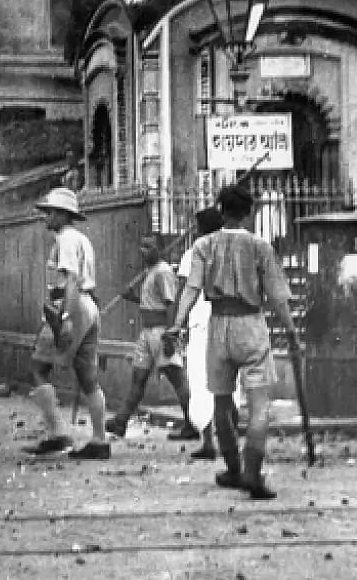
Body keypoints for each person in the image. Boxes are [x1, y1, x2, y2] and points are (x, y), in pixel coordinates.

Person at [169, 185, 300, 500]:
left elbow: (191, 289)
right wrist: (292, 331)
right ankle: (252, 473)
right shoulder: (260, 247)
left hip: (218, 327)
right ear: (249, 213)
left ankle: (232, 468)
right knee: (258, 405)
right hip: (251, 325)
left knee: (221, 402)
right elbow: (279, 298)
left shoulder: (203, 246)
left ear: (221, 209)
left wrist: (177, 323)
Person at [25, 187, 110, 459]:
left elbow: (71, 281)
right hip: (88, 307)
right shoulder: (82, 239)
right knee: (88, 377)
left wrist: (66, 318)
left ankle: (58, 433)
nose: (45, 217)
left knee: (38, 368)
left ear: (62, 214)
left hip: (69, 306)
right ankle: (99, 440)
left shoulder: (65, 241)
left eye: (49, 212)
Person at [106, 235, 196, 440]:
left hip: (161, 331)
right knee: (138, 377)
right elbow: (151, 302)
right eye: (142, 246)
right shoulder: (150, 271)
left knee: (176, 378)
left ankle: (192, 423)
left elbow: (170, 303)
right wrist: (133, 298)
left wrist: (171, 333)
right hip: (146, 332)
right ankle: (121, 421)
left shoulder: (164, 272)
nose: (143, 250)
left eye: (149, 247)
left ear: (159, 249)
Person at [176, 207, 241, 460]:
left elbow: (186, 291)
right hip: (230, 320)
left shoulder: (193, 253)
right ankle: (229, 441)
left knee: (201, 380)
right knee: (228, 380)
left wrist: (177, 325)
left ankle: (208, 441)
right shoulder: (235, 250)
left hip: (202, 323)